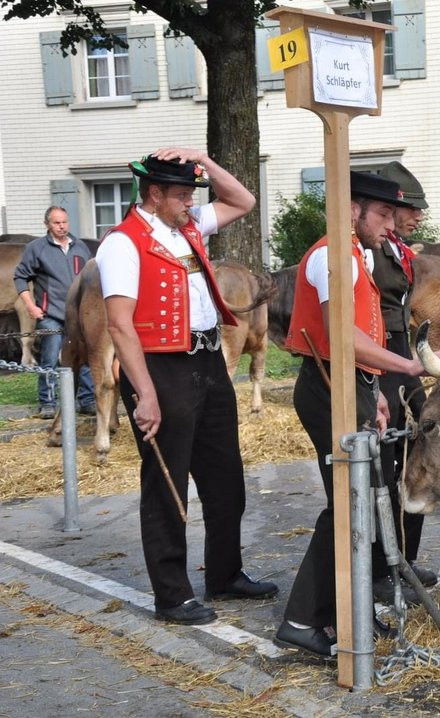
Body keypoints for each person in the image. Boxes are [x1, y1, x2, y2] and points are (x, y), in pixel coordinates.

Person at [95, 149, 277, 626]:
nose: (190, 202)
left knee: (226, 479)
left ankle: (225, 573)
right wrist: (145, 393)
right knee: (167, 485)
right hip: (160, 368)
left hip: (207, 359)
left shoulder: (186, 225)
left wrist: (202, 160)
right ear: (153, 194)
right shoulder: (123, 243)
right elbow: (118, 325)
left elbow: (242, 200)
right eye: (181, 194)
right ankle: (172, 594)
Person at [275, 171, 440, 659]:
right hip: (328, 384)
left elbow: (359, 334)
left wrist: (372, 389)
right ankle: (302, 618)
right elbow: (342, 337)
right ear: (352, 209)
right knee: (346, 508)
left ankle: (346, 612)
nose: (390, 224)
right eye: (383, 214)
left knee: (362, 503)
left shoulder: (353, 253)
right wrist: (406, 365)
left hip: (349, 383)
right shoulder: (336, 254)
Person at [368, 160, 438, 603]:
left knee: (417, 450)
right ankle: (381, 566)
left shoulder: (393, 247)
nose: (417, 217)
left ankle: (405, 558)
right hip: (380, 355)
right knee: (384, 462)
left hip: (399, 352)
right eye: (410, 208)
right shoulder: (368, 250)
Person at [14, 207, 96, 418]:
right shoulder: (36, 248)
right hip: (51, 315)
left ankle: (86, 400)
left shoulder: (80, 247)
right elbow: (21, 277)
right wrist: (31, 305)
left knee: (84, 357)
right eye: (56, 223)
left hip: (78, 315)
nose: (62, 227)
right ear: (47, 225)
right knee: (50, 359)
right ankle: (48, 403)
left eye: (64, 222)